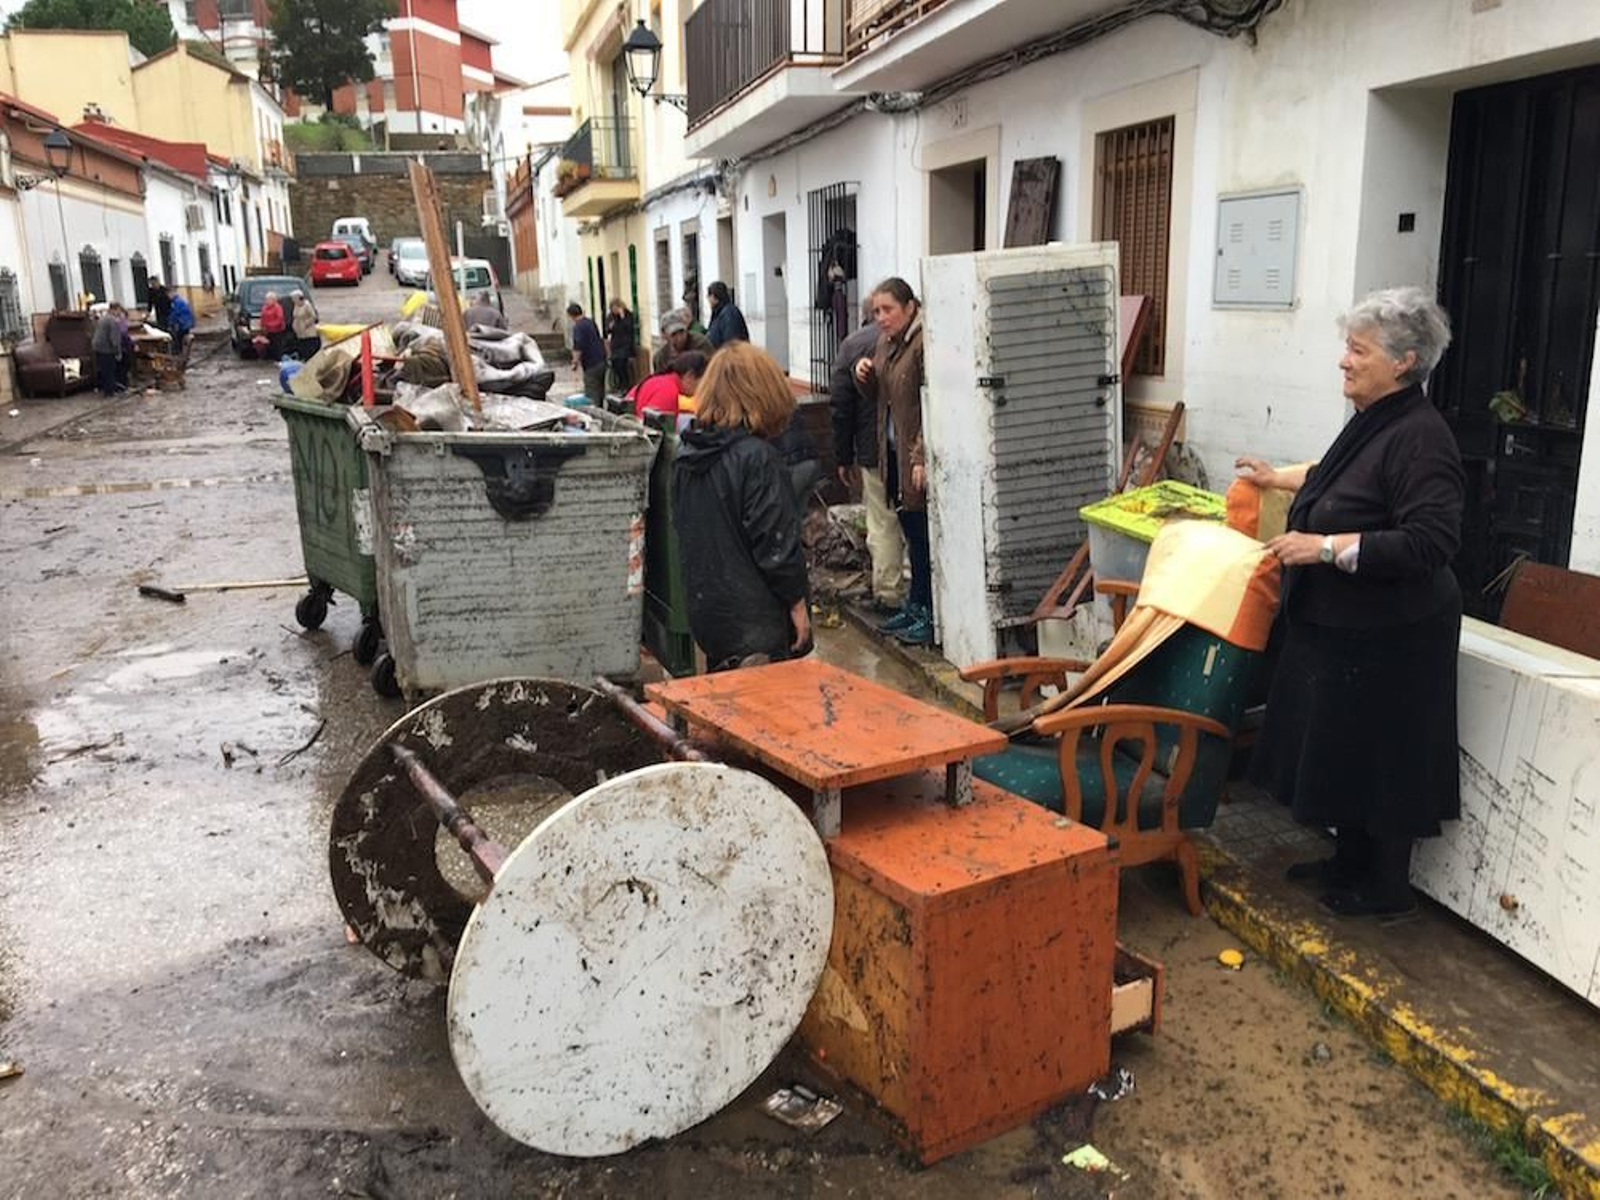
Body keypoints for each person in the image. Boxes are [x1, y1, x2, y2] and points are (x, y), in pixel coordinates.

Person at [1236, 285, 1463, 919]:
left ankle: (1387, 889)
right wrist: (1276, 478)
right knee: (1344, 749)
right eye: (1348, 347)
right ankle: (1348, 860)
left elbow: (1431, 541)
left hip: (1397, 632)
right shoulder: (1374, 419)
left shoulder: (1422, 438)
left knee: (1385, 758)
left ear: (1404, 361)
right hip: (1345, 627)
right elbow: (1337, 477)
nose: (1344, 360)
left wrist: (1325, 548)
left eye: (1359, 351)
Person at [673, 341, 811, 672]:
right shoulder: (757, 458)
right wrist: (797, 603)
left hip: (709, 614)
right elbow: (775, 545)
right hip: (757, 620)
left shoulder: (685, 456)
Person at [855, 277, 931, 646]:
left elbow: (932, 403)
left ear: (910, 307)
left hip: (914, 459)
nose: (881, 318)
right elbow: (882, 395)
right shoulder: (887, 342)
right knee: (909, 532)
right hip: (892, 454)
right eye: (876, 312)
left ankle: (927, 612)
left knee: (923, 539)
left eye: (888, 310)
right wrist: (865, 376)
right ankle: (914, 606)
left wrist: (921, 456)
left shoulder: (923, 343)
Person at [831, 301, 904, 611]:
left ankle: (889, 594)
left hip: (873, 449)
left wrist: (843, 457)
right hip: (909, 448)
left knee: (882, 522)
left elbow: (841, 407)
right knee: (913, 521)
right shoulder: (908, 338)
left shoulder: (853, 344)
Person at [629, 351, 706, 421]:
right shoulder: (669, 391)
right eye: (703, 382)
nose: (703, 388)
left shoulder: (657, 380)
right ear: (690, 375)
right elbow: (659, 428)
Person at [652, 308, 714, 374]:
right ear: (665, 335)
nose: (679, 338)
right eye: (674, 334)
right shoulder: (661, 357)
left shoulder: (701, 344)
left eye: (681, 332)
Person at [568, 302, 607, 405]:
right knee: (600, 390)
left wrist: (575, 362)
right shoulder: (591, 322)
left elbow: (578, 346)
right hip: (601, 360)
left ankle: (594, 412)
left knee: (592, 392)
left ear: (571, 315)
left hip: (591, 363)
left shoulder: (578, 327)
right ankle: (602, 410)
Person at [91, 303, 126, 395]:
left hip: (97, 347)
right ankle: (110, 391)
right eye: (119, 311)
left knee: (104, 369)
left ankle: (106, 389)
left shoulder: (103, 318)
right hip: (106, 348)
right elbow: (114, 339)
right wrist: (118, 352)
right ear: (115, 309)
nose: (119, 313)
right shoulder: (113, 321)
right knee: (110, 369)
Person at [605, 298, 637, 393]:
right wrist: (610, 327)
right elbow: (607, 331)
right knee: (615, 364)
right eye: (612, 309)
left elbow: (629, 328)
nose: (614, 311)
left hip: (625, 345)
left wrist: (622, 317)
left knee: (622, 364)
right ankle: (619, 385)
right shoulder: (611, 317)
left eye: (615, 308)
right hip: (616, 344)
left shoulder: (628, 315)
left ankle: (625, 385)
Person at [705, 281, 749, 349]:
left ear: (714, 296)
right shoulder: (718, 312)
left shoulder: (729, 314)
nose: (708, 299)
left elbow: (731, 342)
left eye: (708, 296)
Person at [290, 291, 320, 361]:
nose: (293, 300)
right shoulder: (296, 305)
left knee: (308, 344)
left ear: (298, 298)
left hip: (307, 329)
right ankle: (303, 357)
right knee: (301, 344)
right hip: (299, 329)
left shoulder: (307, 305)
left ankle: (309, 358)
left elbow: (313, 316)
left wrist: (307, 323)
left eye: (294, 298)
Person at [258, 290, 286, 360]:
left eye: (268, 299)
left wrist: (270, 325)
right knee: (269, 345)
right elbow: (262, 317)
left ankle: (278, 358)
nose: (266, 301)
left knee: (277, 345)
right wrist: (262, 325)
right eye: (266, 299)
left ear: (273, 300)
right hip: (267, 331)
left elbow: (280, 319)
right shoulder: (264, 307)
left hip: (277, 330)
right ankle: (269, 357)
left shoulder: (277, 307)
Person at [166, 291, 195, 357]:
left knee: (178, 337)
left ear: (172, 294)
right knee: (184, 336)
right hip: (187, 322)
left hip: (182, 322)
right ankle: (185, 352)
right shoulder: (181, 300)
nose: (168, 297)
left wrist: (170, 322)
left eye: (169, 295)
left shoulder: (176, 302)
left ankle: (179, 352)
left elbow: (175, 313)